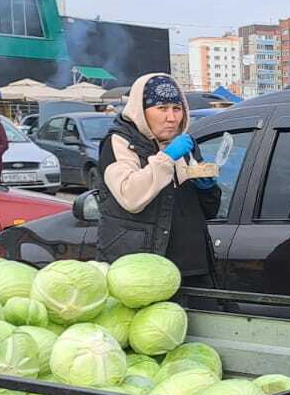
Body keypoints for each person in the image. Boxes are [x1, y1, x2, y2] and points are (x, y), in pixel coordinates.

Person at [94, 73, 221, 287]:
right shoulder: (118, 143)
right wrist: (166, 158)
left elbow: (208, 212)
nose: (171, 118)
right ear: (141, 111)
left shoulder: (186, 145)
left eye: (177, 109)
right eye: (162, 109)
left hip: (193, 269)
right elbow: (130, 197)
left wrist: (207, 190)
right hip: (144, 271)